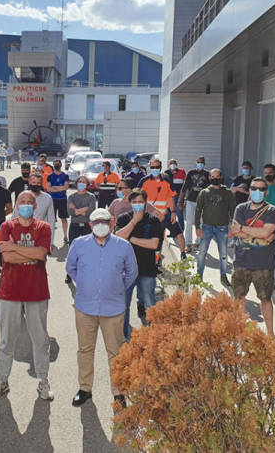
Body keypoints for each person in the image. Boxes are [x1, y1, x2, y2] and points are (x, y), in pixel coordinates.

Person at [0, 191, 54, 401]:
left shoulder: (43, 227)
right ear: (17, 206)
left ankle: (43, 381)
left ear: (35, 207)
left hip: (36, 291)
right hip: (10, 291)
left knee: (40, 339)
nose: (25, 205)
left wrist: (16, 248)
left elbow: (41, 254)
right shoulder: (7, 226)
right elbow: (7, 257)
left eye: (29, 202)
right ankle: (1, 381)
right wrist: (28, 251)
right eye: (22, 202)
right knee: (7, 340)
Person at [67, 208, 137, 407]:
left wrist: (116, 288)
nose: (100, 224)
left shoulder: (123, 246)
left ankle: (119, 392)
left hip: (113, 309)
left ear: (112, 223)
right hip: (85, 307)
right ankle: (84, 388)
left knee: (116, 352)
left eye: (104, 221)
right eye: (96, 221)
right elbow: (71, 267)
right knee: (85, 349)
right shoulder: (79, 244)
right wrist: (85, 284)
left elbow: (132, 272)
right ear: (90, 225)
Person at [229, 178, 275, 336]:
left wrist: (245, 230)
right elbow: (234, 231)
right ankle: (238, 332)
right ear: (249, 190)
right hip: (242, 260)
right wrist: (261, 237)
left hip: (263, 263)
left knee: (265, 299)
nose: (257, 191)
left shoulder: (272, 211)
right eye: (254, 188)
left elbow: (266, 232)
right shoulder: (241, 208)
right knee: (239, 297)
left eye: (261, 189)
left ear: (266, 192)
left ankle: (270, 334)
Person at [115, 191, 161, 341]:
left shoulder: (153, 220)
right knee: (124, 305)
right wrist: (134, 221)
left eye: (140, 201)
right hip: (126, 271)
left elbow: (154, 244)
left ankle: (154, 336)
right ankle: (123, 337)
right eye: (134, 202)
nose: (137, 204)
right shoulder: (123, 219)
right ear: (130, 203)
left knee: (149, 302)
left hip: (147, 269)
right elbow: (118, 237)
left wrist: (132, 239)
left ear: (146, 203)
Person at [194, 169, 236, 284]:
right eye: (212, 176)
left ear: (221, 177)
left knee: (223, 253)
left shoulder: (228, 193)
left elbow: (233, 211)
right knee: (202, 252)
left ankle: (223, 276)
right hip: (207, 227)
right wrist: (197, 227)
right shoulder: (204, 192)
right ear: (209, 178)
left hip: (222, 228)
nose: (215, 178)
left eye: (217, 176)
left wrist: (233, 228)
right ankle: (199, 275)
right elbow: (198, 210)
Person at [141, 158, 187, 260]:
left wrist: (173, 212)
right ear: (150, 168)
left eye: (157, 167)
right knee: (157, 239)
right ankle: (156, 261)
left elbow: (170, 197)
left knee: (179, 233)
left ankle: (183, 255)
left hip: (166, 215)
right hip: (151, 217)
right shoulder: (144, 181)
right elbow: (138, 198)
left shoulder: (166, 181)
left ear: (161, 168)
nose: (155, 169)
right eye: (152, 167)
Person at [179, 156, 210, 251]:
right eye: (198, 162)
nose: (200, 164)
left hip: (202, 202)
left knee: (200, 223)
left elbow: (210, 189)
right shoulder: (191, 173)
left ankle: (198, 242)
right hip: (190, 201)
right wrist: (180, 201)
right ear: (196, 163)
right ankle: (188, 243)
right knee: (189, 222)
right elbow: (184, 188)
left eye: (201, 162)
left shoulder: (207, 174)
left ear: (204, 164)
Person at [28, 173, 57, 244]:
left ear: (41, 184)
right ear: (29, 182)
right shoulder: (22, 196)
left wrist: (51, 242)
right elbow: (15, 217)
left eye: (38, 183)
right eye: (34, 182)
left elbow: (51, 219)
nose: (36, 184)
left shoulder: (47, 198)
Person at [46, 160, 69, 242]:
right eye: (55, 164)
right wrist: (60, 188)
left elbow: (65, 187)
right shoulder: (50, 176)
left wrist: (54, 188)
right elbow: (48, 189)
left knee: (64, 219)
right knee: (51, 220)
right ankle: (50, 238)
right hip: (52, 200)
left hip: (62, 200)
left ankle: (65, 236)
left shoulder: (65, 175)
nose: (56, 165)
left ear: (61, 165)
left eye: (58, 164)